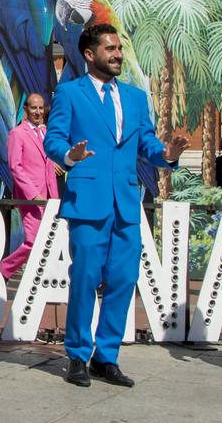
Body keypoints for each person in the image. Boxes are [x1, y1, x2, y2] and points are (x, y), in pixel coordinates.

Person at [44, 23, 187, 389]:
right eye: (110, 49)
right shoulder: (70, 93)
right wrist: (69, 155)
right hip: (87, 202)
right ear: (89, 54)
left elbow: (147, 144)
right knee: (85, 279)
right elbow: (53, 139)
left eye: (119, 48)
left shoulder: (136, 97)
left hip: (125, 203)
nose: (118, 54)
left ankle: (106, 357)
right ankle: (78, 355)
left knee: (123, 280)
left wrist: (168, 154)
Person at [0, 93, 58, 279]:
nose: (38, 112)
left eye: (41, 108)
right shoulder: (17, 133)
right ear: (26, 109)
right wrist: (33, 194)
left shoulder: (45, 133)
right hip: (30, 198)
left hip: (50, 196)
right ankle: (3, 271)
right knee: (33, 242)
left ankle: (41, 278)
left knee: (49, 239)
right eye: (34, 108)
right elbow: (15, 167)